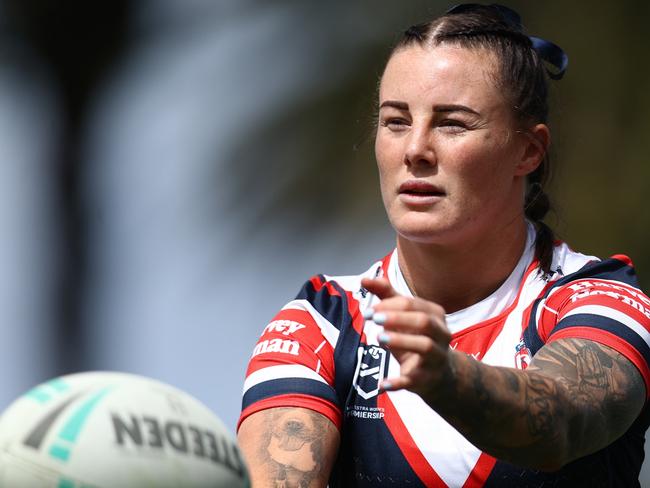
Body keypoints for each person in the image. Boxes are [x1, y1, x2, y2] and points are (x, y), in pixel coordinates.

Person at [237, 4, 650, 487]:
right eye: (395, 121)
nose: (415, 149)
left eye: (452, 122)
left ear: (529, 150)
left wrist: (447, 378)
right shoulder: (321, 322)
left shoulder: (600, 297)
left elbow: (556, 426)